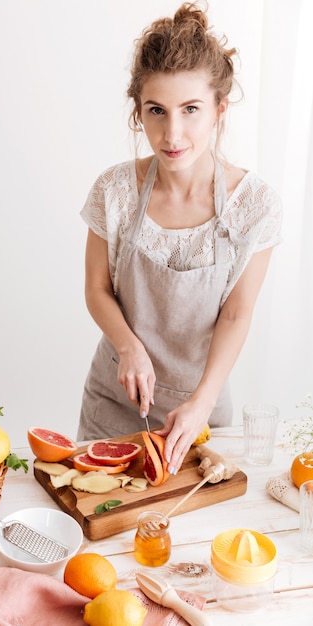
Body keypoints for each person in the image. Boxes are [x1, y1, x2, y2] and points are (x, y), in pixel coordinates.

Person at [77, 0, 282, 475]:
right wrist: (129, 347)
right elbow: (96, 289)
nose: (173, 133)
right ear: (139, 113)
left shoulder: (256, 205)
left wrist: (203, 401)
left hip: (201, 408)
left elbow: (236, 311)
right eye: (157, 111)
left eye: (191, 109)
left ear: (219, 108)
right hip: (113, 401)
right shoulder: (114, 191)